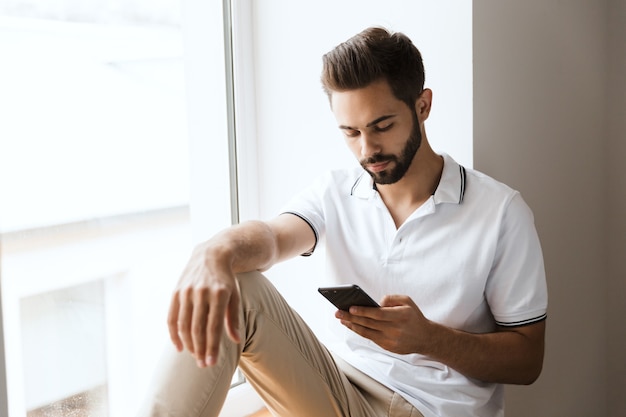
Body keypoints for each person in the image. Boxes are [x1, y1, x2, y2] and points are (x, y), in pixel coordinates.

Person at [139, 27, 548, 417]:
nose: (367, 149)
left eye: (382, 126)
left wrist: (428, 339)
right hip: (341, 385)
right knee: (239, 286)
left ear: (422, 105)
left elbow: (528, 361)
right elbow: (274, 237)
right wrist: (216, 250)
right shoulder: (337, 191)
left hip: (424, 407)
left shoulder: (500, 212)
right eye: (350, 132)